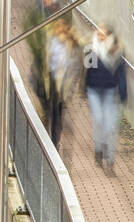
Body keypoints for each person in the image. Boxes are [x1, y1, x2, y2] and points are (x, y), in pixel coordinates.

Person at [85, 26, 128, 173]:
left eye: (102, 33)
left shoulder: (117, 51)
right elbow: (87, 70)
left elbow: (122, 73)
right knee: (98, 119)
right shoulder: (90, 49)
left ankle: (110, 159)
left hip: (110, 90)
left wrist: (123, 92)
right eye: (98, 33)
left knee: (110, 126)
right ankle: (98, 148)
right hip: (94, 89)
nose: (99, 35)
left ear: (109, 35)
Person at [45, 19, 82, 150]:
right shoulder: (52, 41)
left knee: (58, 113)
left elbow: (76, 66)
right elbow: (47, 60)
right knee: (53, 111)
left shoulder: (71, 45)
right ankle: (52, 137)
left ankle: (55, 140)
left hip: (64, 83)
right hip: (53, 80)